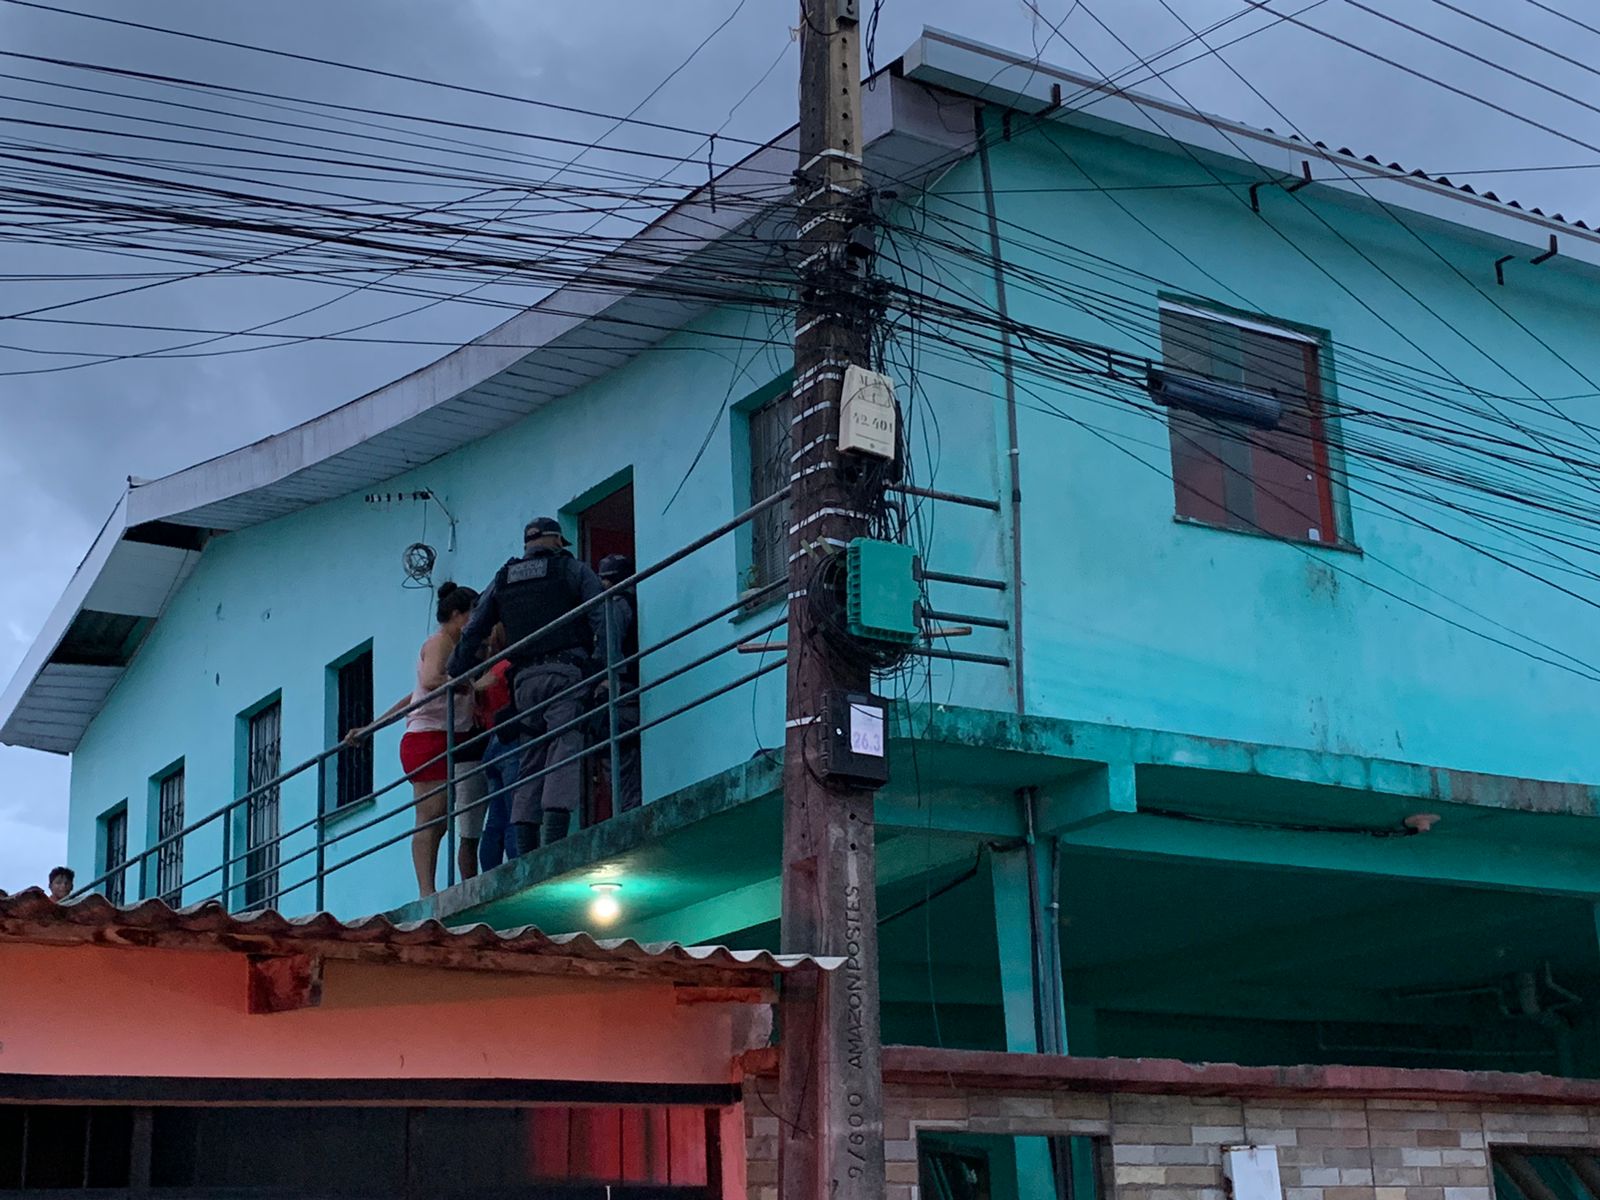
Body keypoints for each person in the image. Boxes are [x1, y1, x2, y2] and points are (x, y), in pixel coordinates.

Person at [448, 517, 605, 855]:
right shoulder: (571, 569)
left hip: (524, 682)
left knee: (532, 756)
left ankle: (526, 844)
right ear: (555, 541)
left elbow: (475, 627)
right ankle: (553, 843)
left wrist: (456, 669)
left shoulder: (503, 578)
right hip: (565, 674)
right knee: (564, 747)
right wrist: (604, 665)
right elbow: (602, 614)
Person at [350, 582, 486, 898]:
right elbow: (431, 680)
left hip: (441, 736)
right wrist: (471, 684)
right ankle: (426, 890)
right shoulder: (441, 642)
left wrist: (371, 727)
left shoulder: (456, 647)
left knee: (440, 819)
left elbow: (414, 697)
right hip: (429, 738)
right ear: (457, 614)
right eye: (472, 614)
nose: (475, 621)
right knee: (431, 816)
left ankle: (428, 888)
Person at [594, 553, 642, 814]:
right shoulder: (636, 601)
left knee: (620, 768)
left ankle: (627, 821)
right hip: (631, 691)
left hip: (621, 693)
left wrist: (604, 681)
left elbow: (609, 650)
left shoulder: (615, 605)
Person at [475, 629, 522, 870]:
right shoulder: (507, 666)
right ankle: (517, 865)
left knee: (496, 815)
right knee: (516, 810)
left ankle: (489, 870)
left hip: (491, 744)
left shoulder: (486, 674)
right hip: (510, 741)